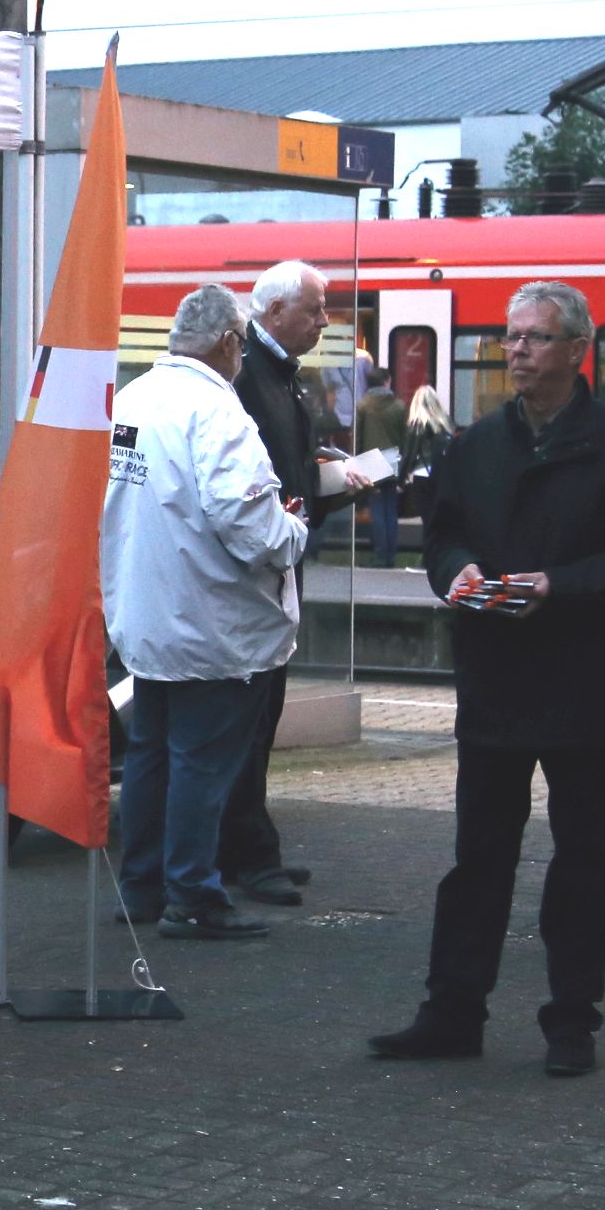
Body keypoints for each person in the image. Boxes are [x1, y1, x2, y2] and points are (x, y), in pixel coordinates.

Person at [368, 280, 605, 1078]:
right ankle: (451, 1014)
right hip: (496, 679)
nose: (516, 352)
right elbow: (439, 539)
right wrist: (458, 573)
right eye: (511, 338)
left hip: (580, 680)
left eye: (535, 339)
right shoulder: (477, 446)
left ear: (578, 351)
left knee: (581, 860)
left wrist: (559, 587)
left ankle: (571, 1023)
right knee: (479, 859)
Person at [103, 284, 309, 941]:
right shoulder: (218, 414)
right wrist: (292, 533)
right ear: (227, 342)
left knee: (149, 755)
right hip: (211, 623)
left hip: (144, 615)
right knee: (200, 762)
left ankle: (140, 885)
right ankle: (192, 894)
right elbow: (248, 524)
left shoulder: (129, 403)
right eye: (242, 346)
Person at [217, 260, 368, 906]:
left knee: (261, 713)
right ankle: (246, 855)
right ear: (274, 313)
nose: (325, 320)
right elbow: (252, 485)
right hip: (253, 579)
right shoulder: (253, 377)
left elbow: (283, 471)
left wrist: (321, 474)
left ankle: (248, 847)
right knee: (247, 717)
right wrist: (307, 488)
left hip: (276, 571)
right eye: (315, 309)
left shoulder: (276, 376)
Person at [356, 364, 407, 567]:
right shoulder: (399, 406)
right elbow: (404, 438)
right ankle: (391, 556)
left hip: (370, 462)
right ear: (386, 382)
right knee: (390, 510)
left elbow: (358, 438)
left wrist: (357, 462)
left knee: (377, 510)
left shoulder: (362, 406)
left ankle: (379, 554)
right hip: (392, 460)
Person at [397, 384, 456, 523]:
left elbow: (409, 454)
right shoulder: (446, 422)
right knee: (440, 517)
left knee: (427, 517)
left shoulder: (417, 423)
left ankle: (430, 543)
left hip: (422, 475)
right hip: (443, 473)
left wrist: (400, 481)